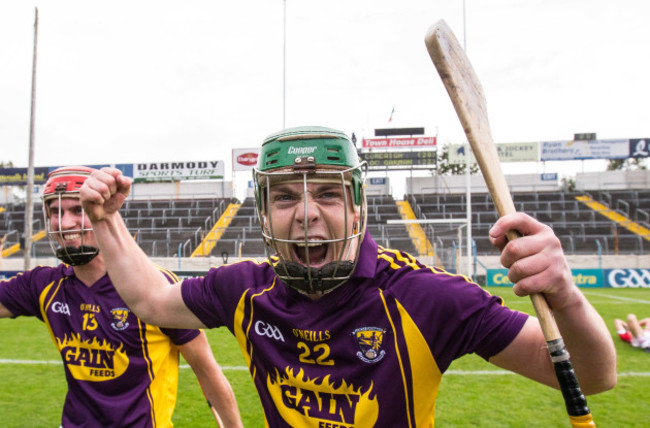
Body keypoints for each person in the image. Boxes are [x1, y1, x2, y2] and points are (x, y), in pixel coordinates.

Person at [80, 126, 617, 426]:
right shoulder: (244, 288)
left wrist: (565, 295)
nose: (307, 212)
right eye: (285, 196)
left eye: (329, 193)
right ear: (264, 214)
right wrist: (106, 221)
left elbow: (593, 377)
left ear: (358, 208)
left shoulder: (427, 296)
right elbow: (151, 300)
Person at [0, 166, 243, 428]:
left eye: (78, 210)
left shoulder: (156, 289)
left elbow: (206, 370)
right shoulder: (43, 285)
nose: (65, 222)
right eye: (56, 212)